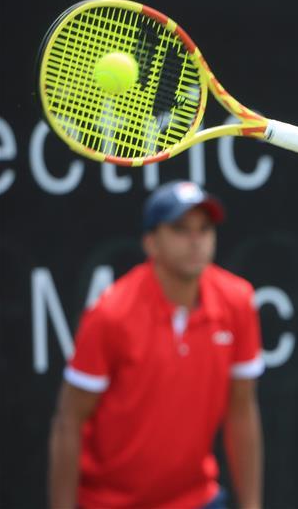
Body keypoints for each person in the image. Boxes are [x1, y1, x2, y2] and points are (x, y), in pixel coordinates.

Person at [48, 181, 265, 509]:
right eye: (180, 229)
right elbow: (69, 421)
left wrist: (251, 506)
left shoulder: (238, 301)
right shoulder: (111, 315)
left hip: (198, 500)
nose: (196, 241)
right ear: (151, 243)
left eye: (204, 229)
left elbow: (241, 410)